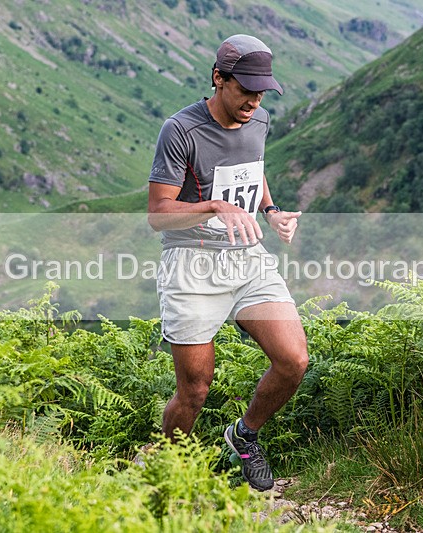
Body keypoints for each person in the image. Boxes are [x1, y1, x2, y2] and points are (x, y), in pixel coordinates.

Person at [146, 34, 309, 491]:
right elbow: (158, 214)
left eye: (262, 93)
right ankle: (166, 472)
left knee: (293, 361)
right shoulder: (180, 130)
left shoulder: (259, 121)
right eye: (246, 90)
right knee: (195, 391)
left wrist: (271, 211)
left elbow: (253, 169)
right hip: (192, 264)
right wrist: (215, 206)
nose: (254, 102)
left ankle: (244, 435)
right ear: (218, 78)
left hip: (248, 258)